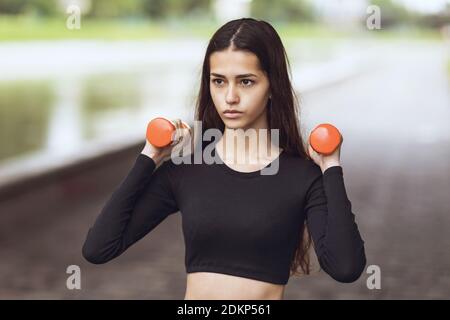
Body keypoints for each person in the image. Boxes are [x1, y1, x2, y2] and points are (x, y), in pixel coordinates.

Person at [82, 18, 366, 300]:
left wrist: (331, 167)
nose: (230, 97)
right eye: (219, 81)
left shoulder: (302, 176)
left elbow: (346, 267)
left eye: (246, 82)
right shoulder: (186, 171)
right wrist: (150, 157)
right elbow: (99, 248)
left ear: (272, 86)